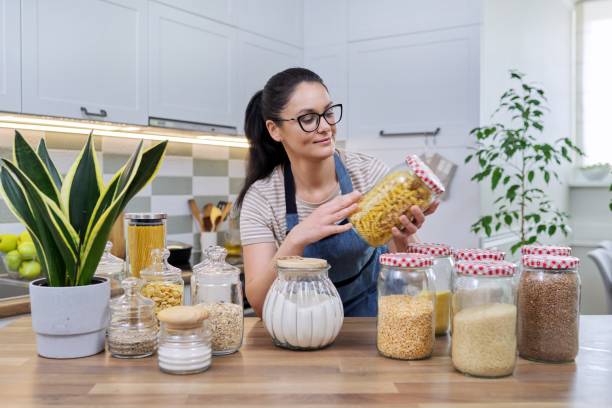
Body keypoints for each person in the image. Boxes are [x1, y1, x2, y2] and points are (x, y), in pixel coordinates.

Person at [236, 67, 439, 317]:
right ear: (275, 130)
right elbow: (258, 301)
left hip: (374, 324)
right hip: (305, 327)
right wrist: (297, 238)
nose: (325, 127)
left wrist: (403, 237)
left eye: (328, 113)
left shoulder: (367, 173)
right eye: (308, 118)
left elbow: (410, 277)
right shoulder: (262, 198)